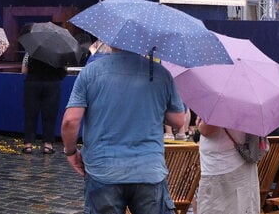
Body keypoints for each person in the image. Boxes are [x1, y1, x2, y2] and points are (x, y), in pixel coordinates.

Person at [61, 46, 186, 213]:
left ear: (111, 42)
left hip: (103, 169)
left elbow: (70, 121)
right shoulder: (160, 73)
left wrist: (70, 152)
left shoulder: (91, 72)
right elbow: (178, 121)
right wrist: (151, 105)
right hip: (148, 169)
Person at [195, 116, 260, 213]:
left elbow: (206, 129)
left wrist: (199, 123)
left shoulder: (221, 103)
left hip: (222, 166)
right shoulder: (250, 102)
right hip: (242, 161)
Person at [21, 53, 66, 154]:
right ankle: (48, 145)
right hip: (52, 84)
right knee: (50, 114)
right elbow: (63, 72)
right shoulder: (59, 52)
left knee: (30, 114)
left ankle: (28, 145)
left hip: (32, 83)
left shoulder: (31, 51)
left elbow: (24, 70)